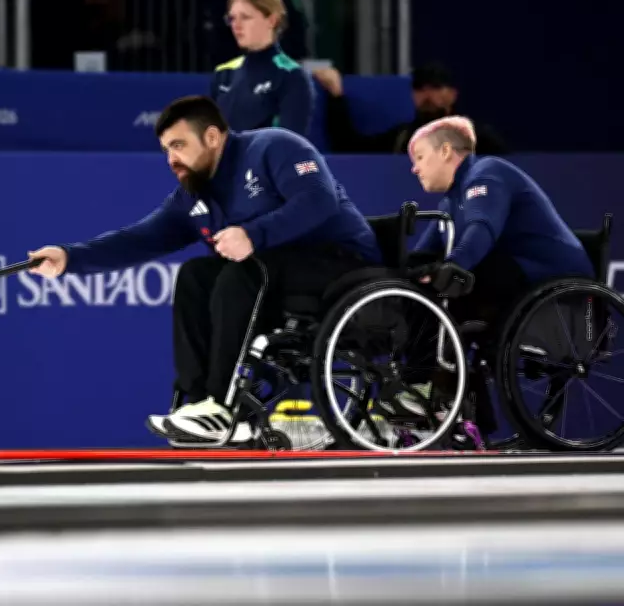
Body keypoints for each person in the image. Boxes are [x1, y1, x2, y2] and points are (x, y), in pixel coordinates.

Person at [27, 95, 382, 444]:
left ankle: (221, 406)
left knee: (241, 272)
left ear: (212, 137)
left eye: (179, 145)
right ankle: (198, 403)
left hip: (344, 265)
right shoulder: (195, 194)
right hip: (277, 278)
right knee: (195, 275)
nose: (171, 159)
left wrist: (253, 234)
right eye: (166, 149)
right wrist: (70, 258)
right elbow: (139, 239)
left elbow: (319, 199)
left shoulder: (274, 146)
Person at [385, 115, 594, 435]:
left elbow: (481, 229)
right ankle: (461, 410)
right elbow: (423, 256)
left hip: (548, 274)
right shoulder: (451, 199)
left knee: (447, 286)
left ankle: (424, 389)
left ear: (445, 151)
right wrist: (394, 279)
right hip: (512, 274)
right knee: (424, 285)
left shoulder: (488, 173)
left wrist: (452, 266)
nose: (414, 168)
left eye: (420, 158)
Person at [312, 62, 508, 155]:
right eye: (420, 89)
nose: (427, 95)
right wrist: (336, 95)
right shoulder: (402, 138)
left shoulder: (478, 138)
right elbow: (351, 147)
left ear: (452, 94)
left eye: (436, 88)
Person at [209, 0, 315, 138]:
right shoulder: (224, 73)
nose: (236, 26)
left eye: (245, 17)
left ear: (272, 20)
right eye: (232, 18)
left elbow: (288, 145)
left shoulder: (291, 76)